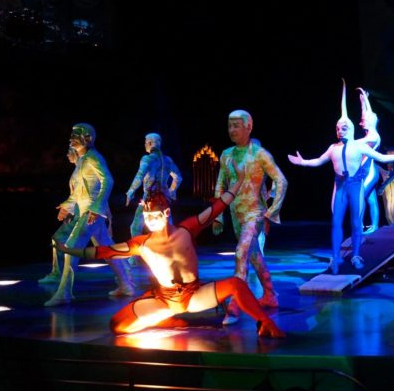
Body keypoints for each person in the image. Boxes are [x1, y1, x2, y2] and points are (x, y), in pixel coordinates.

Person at [53, 163, 284, 337]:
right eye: (147, 217)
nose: (150, 221)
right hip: (164, 299)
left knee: (236, 284)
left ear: (166, 214)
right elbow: (105, 251)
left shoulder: (186, 229)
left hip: (194, 296)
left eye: (154, 216)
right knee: (118, 325)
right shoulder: (141, 243)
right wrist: (70, 251)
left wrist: (239, 181)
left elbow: (217, 207)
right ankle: (165, 318)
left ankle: (265, 322)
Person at [288, 82, 394, 275]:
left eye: (344, 127)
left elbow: (382, 157)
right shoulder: (333, 148)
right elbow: (318, 161)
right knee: (336, 222)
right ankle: (336, 256)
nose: (340, 130)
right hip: (340, 187)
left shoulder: (359, 145)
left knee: (355, 222)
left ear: (351, 128)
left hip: (355, 186)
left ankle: (356, 255)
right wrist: (303, 162)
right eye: (338, 128)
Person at [46, 123, 134, 306]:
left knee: (71, 248)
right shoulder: (81, 161)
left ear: (87, 138)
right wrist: (67, 206)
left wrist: (96, 208)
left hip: (91, 214)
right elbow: (78, 192)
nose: (71, 138)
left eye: (75, 135)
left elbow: (108, 180)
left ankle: (64, 293)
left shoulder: (94, 157)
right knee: (106, 250)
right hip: (88, 212)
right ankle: (126, 285)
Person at [213, 110, 288, 325]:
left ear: (249, 126)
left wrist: (272, 211)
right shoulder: (226, 154)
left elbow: (281, 181)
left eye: (236, 125)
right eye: (230, 125)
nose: (232, 130)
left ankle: (235, 306)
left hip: (254, 214)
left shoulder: (260, 154)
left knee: (241, 253)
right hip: (236, 213)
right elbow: (220, 184)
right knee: (254, 256)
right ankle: (270, 294)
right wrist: (218, 215)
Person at [125, 132, 183, 267]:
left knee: (135, 227)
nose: (145, 145)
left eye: (146, 142)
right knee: (168, 229)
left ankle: (135, 257)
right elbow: (178, 177)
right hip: (164, 200)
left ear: (150, 143)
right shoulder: (168, 160)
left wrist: (131, 191)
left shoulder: (148, 159)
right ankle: (171, 256)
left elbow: (140, 176)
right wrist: (171, 192)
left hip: (149, 199)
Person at [39, 147, 79, 284]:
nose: (67, 155)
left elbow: (81, 193)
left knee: (59, 239)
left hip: (81, 212)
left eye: (69, 152)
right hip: (81, 211)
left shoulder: (82, 168)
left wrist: (67, 207)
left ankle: (59, 274)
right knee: (103, 243)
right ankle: (125, 273)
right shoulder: (79, 168)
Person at [355, 88, 381, 234]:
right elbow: (366, 114)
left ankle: (359, 226)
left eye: (363, 121)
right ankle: (374, 226)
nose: (361, 123)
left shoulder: (373, 136)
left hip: (370, 172)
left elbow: (355, 142)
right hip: (366, 171)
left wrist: (347, 142)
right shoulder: (369, 134)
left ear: (370, 122)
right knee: (371, 200)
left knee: (360, 197)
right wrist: (363, 101)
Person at [377, 149, 394, 225]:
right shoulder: (393, 165)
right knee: (389, 216)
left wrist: (382, 187)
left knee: (391, 215)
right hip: (390, 193)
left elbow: (392, 176)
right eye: (387, 155)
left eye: (390, 155)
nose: (388, 157)